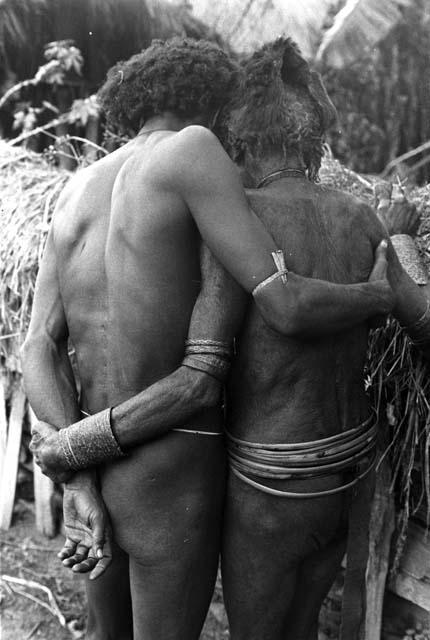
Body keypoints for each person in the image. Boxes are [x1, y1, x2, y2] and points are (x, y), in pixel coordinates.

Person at [24, 38, 395, 640]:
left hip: (94, 456)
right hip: (170, 460)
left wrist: (77, 473)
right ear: (217, 104)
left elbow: (37, 347)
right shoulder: (195, 151)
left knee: (103, 634)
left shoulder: (75, 188)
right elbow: (279, 303)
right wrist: (378, 295)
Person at [217, 39, 430, 640]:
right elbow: (425, 321)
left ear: (242, 141)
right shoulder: (363, 217)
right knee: (302, 629)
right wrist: (399, 243)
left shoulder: (236, 218)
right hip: (344, 475)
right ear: (315, 141)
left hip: (270, 488)